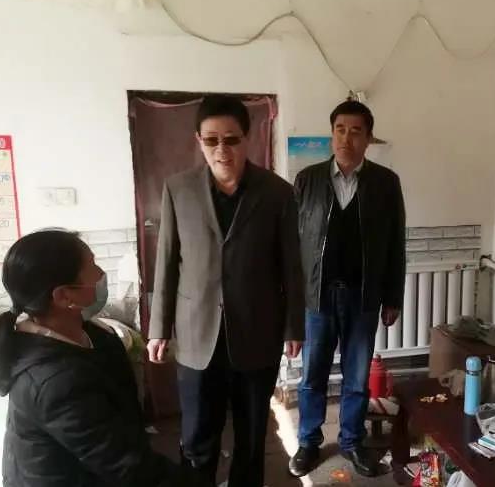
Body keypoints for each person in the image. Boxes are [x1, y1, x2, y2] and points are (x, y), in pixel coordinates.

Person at [147, 94, 305, 487]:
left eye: (231, 139)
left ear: (247, 139)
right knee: (197, 438)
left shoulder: (277, 193)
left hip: (257, 331)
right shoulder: (178, 189)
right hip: (196, 333)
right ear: (199, 141)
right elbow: (166, 262)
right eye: (212, 140)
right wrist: (158, 328)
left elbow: (291, 266)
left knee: (252, 437)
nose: (222, 149)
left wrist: (293, 326)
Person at [0, 229, 178, 487]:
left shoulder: (91, 333)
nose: (101, 274)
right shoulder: (54, 381)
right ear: (64, 296)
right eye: (92, 266)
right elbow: (125, 465)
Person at [289, 100, 406, 478]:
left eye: (356, 131)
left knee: (356, 378)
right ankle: (308, 442)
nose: (346, 138)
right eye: (340, 129)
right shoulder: (307, 180)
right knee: (312, 376)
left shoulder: (386, 183)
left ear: (368, 138)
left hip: (363, 297)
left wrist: (393, 296)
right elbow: (291, 246)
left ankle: (353, 441)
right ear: (331, 134)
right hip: (317, 297)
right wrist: (291, 304)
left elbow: (395, 244)